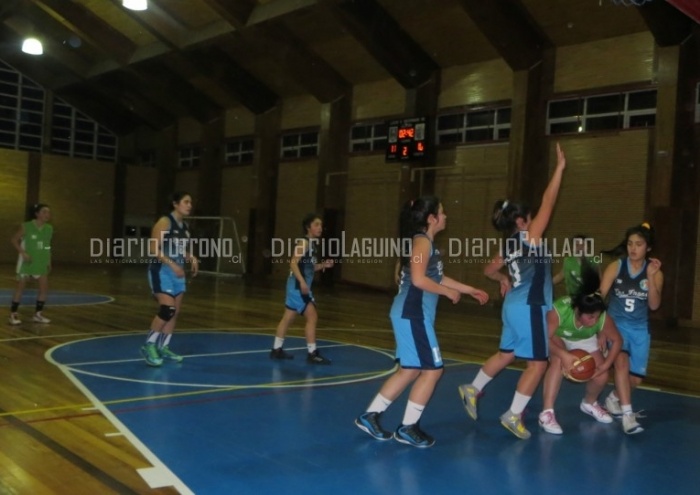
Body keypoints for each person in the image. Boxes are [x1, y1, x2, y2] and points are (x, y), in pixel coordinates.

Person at [354, 196, 489, 448]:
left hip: (409, 312)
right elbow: (418, 279)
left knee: (410, 369)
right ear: (431, 218)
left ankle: (370, 415)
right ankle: (408, 427)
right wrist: (446, 293)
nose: (446, 215)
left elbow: (435, 276)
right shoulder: (422, 242)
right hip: (413, 312)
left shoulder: (423, 242)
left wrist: (469, 289)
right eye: (442, 212)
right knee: (433, 370)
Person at [457, 142, 567, 439]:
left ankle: (473, 388)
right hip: (529, 307)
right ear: (521, 221)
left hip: (512, 308)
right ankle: (513, 414)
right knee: (538, 363)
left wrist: (503, 279)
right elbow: (549, 202)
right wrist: (559, 169)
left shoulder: (508, 245)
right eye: (530, 217)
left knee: (507, 353)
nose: (535, 219)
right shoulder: (529, 238)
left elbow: (488, 270)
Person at [538, 263, 622, 434]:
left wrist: (606, 365)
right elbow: (542, 337)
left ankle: (589, 403)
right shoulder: (560, 310)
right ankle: (546, 413)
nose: (594, 320)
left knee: (602, 375)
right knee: (557, 361)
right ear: (577, 310)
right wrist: (563, 354)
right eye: (590, 317)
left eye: (597, 317)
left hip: (584, 338)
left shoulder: (601, 317)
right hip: (558, 336)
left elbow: (617, 341)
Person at [599, 222, 662, 434]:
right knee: (621, 362)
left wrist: (651, 278)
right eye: (630, 244)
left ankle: (613, 399)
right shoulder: (616, 267)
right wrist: (599, 329)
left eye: (638, 244)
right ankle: (628, 416)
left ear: (648, 248)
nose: (633, 248)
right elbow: (600, 297)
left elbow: (654, 305)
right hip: (616, 327)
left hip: (640, 329)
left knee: (635, 379)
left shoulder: (655, 272)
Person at [141, 192, 199, 367]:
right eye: (186, 202)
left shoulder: (185, 227)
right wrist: (172, 265)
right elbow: (154, 249)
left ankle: (163, 347)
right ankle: (148, 345)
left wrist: (190, 257)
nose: (189, 205)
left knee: (174, 313)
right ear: (175, 204)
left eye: (191, 202)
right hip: (162, 271)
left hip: (178, 273)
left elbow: (178, 249)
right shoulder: (164, 222)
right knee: (167, 309)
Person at [270, 213, 334, 364]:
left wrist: (323, 265)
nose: (320, 228)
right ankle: (312, 353)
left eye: (320, 225)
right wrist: (303, 283)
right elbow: (293, 263)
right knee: (312, 317)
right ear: (308, 227)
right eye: (316, 225)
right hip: (298, 287)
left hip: (295, 286)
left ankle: (276, 349)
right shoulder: (304, 243)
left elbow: (308, 267)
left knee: (288, 317)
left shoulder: (312, 245)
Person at [9, 203, 53, 325]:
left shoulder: (49, 228)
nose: (47, 215)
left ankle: (38, 314)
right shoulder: (26, 226)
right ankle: (13, 314)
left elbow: (47, 245)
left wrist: (48, 259)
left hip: (41, 261)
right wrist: (22, 253)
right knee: (20, 288)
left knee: (44, 289)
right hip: (26, 262)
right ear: (37, 214)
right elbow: (14, 239)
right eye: (44, 212)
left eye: (48, 212)